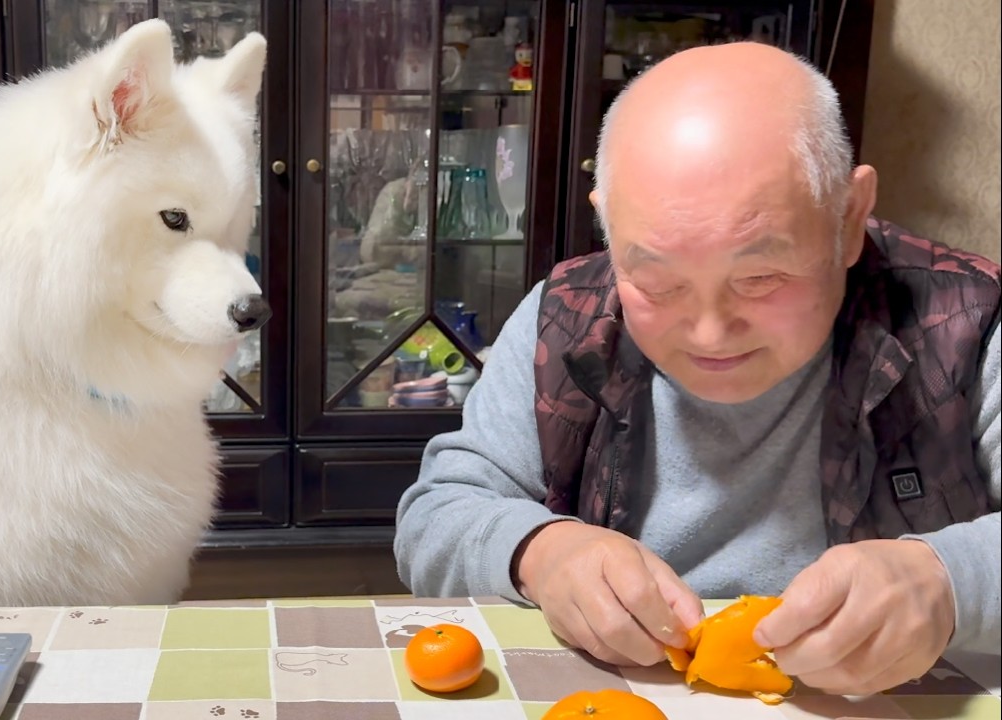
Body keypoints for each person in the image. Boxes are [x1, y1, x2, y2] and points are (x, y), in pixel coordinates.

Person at [394, 41, 1000, 697]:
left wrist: (946, 580)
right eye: (656, 284)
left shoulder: (964, 318)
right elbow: (436, 514)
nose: (710, 333)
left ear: (849, 218)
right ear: (607, 223)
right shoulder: (566, 315)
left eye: (762, 277)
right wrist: (540, 554)